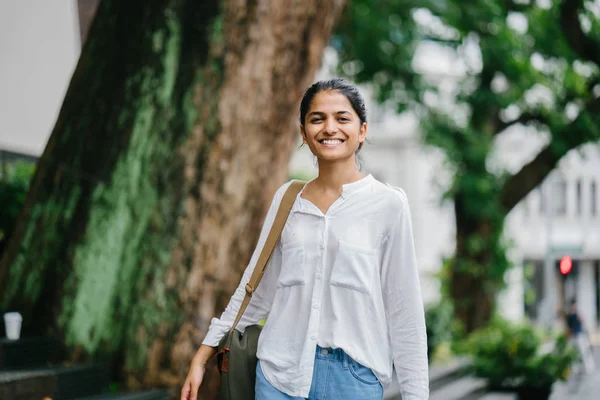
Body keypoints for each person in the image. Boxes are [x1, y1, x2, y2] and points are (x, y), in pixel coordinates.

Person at [180, 78, 429, 400]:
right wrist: (203, 354)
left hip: (353, 379)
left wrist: (416, 395)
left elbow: (404, 310)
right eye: (317, 119)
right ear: (303, 132)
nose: (329, 128)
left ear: (362, 131)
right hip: (279, 375)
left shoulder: (388, 204)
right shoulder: (288, 199)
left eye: (342, 118)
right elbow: (255, 289)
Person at [566, 299, 595, 374]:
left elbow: (582, 323)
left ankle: (588, 368)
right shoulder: (571, 315)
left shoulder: (576, 314)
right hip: (575, 336)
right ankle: (576, 369)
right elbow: (569, 327)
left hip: (579, 335)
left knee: (583, 352)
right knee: (575, 353)